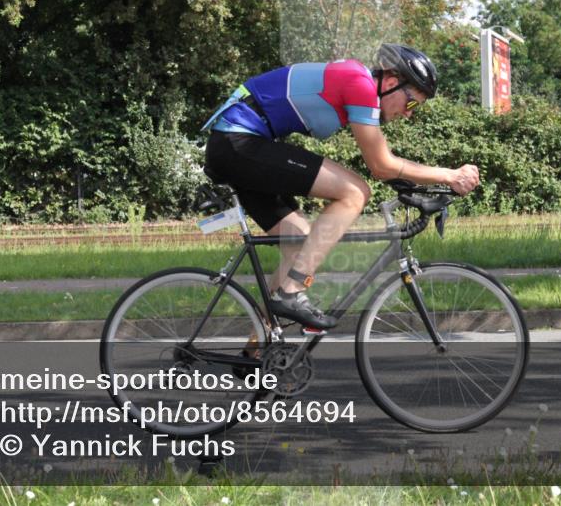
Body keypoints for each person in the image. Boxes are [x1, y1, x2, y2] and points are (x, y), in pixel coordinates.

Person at [202, 43, 480, 331]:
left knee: (299, 244)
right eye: (411, 104)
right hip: (238, 142)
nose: (409, 114)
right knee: (355, 192)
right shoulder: (358, 84)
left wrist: (420, 188)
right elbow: (381, 165)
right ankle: (292, 292)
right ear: (392, 83)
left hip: (239, 146)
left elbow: (387, 164)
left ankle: (259, 351)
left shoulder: (361, 91)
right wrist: (449, 175)